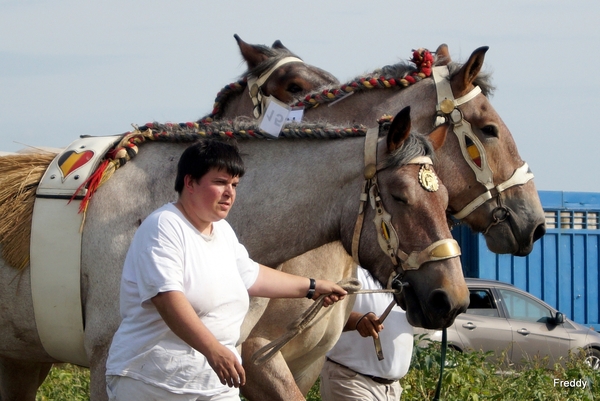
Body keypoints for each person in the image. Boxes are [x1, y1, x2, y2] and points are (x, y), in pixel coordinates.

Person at [105, 139, 347, 401]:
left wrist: (311, 287)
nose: (230, 192)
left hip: (214, 386)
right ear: (190, 183)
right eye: (220, 182)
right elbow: (167, 298)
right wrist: (213, 349)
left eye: (234, 185)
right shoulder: (163, 227)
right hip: (153, 383)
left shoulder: (222, 231)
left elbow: (251, 275)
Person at [320, 266, 413, 401]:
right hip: (350, 381)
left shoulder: (399, 274)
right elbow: (322, 314)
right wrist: (356, 320)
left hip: (392, 389)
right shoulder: (348, 266)